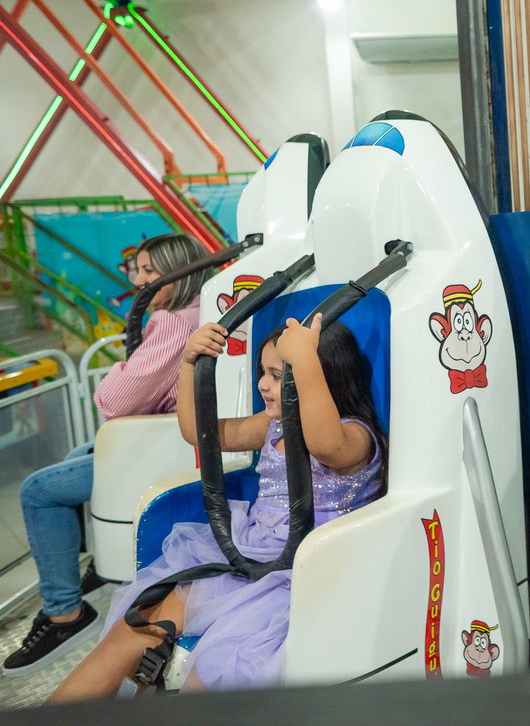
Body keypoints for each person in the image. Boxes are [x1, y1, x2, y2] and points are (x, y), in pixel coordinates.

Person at [47, 312, 386, 699]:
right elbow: (199, 432)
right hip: (245, 557)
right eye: (263, 372)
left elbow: (324, 444)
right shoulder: (272, 424)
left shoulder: (355, 436)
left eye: (279, 375)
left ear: (325, 376)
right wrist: (189, 363)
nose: (264, 385)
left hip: (302, 575)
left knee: (217, 670)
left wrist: (305, 359)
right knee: (134, 629)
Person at [3, 233, 207, 677]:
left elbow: (113, 398)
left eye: (151, 272)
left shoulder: (174, 322)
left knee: (37, 490)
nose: (140, 281)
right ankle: (92, 566)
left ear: (180, 273)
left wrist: (119, 368)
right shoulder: (195, 314)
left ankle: (64, 614)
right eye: (140, 271)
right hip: (156, 440)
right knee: (79, 452)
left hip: (155, 448)